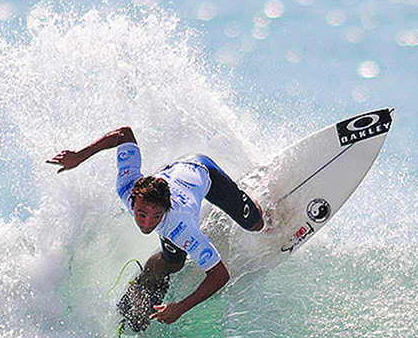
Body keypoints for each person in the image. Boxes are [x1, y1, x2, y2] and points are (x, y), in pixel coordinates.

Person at [48, 126, 264, 326]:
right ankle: (144, 282)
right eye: (142, 214)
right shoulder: (127, 187)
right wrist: (79, 156)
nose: (148, 223)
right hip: (171, 172)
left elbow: (220, 275)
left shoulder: (180, 225)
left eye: (156, 216)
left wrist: (180, 308)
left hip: (203, 171)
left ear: (166, 209)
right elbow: (124, 134)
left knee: (255, 224)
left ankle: (252, 198)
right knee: (174, 263)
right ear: (133, 202)